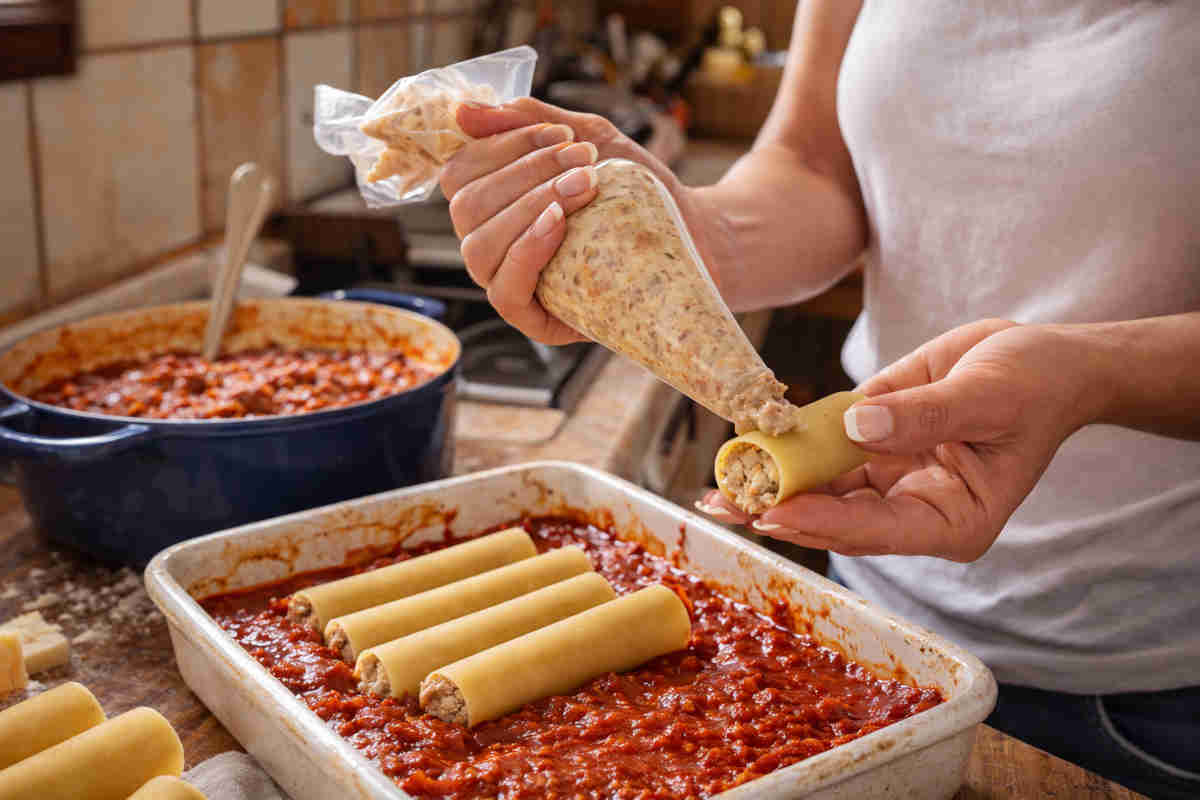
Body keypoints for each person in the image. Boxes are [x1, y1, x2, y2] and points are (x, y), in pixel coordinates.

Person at [438, 2, 1200, 796]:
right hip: (869, 630)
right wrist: (697, 236)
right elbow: (813, 164)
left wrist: (1093, 372)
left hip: (1144, 681)